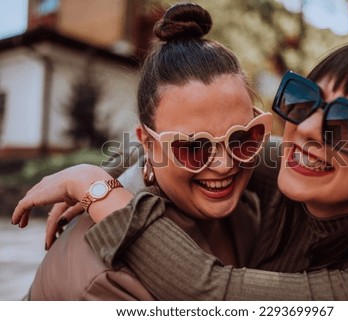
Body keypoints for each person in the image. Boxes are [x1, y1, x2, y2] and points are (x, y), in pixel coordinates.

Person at [78, 39, 348, 300]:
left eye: (347, 125)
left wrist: (96, 189)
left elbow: (209, 294)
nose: (305, 128)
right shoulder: (296, 181)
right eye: (305, 100)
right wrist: (110, 170)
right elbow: (186, 140)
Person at [11, 2, 272, 300]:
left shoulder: (248, 207)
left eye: (243, 137)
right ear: (147, 143)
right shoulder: (104, 277)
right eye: (193, 146)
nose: (225, 164)